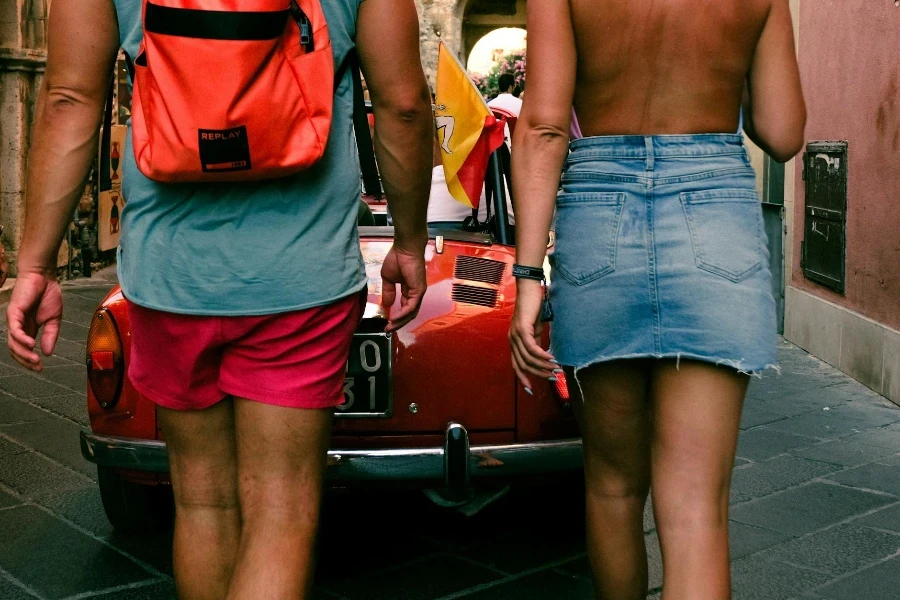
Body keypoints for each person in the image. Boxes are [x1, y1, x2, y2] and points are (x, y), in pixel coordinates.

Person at [6, 1, 432, 599]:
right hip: (300, 273)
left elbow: (68, 99)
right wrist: (409, 243)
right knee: (280, 514)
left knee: (201, 503)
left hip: (169, 276)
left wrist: (36, 263)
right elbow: (404, 106)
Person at [509, 1, 805, 598]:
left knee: (612, 486)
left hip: (598, 217)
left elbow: (542, 127)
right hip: (716, 210)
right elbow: (782, 132)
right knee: (696, 510)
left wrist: (526, 279)